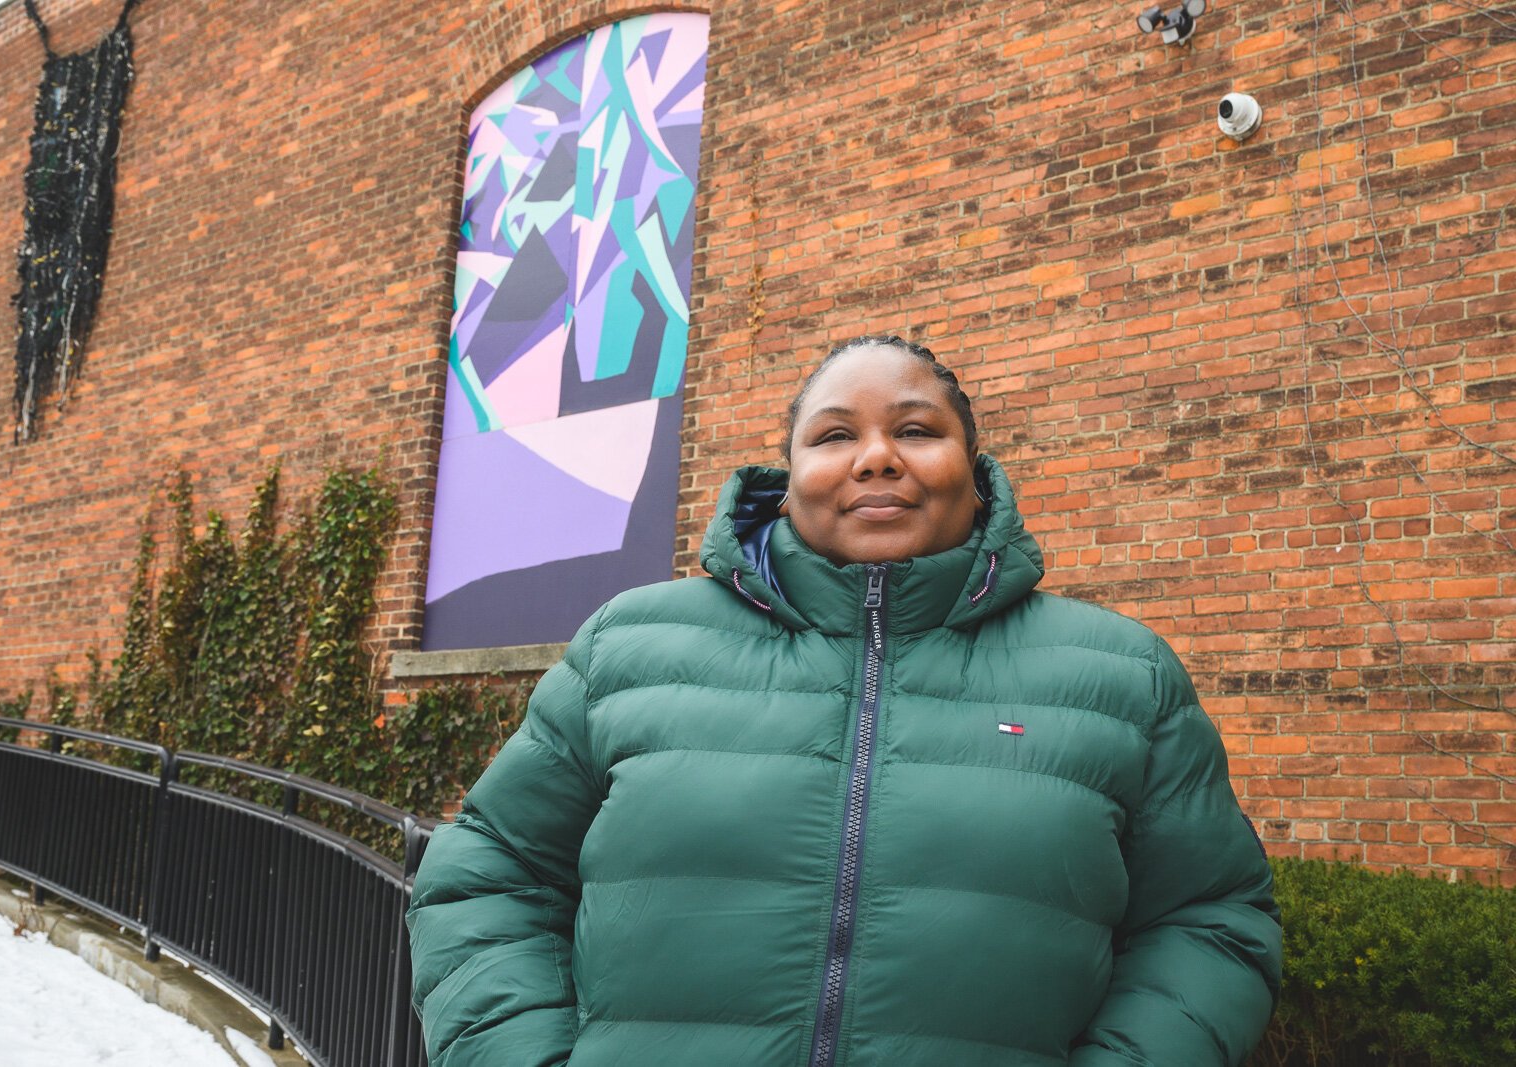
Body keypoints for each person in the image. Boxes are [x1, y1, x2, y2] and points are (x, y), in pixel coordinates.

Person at [407, 335, 1282, 1067]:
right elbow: (490, 874)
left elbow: (1210, 919)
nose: (876, 456)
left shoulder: (1121, 673)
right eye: (833, 435)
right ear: (787, 476)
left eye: (915, 428)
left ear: (973, 472)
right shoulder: (626, 647)